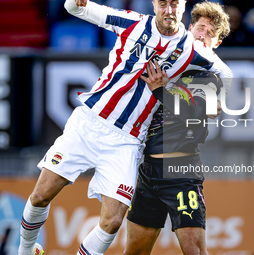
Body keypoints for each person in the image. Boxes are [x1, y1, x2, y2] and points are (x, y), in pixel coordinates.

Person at [18, 0, 231, 255]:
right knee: (41, 195)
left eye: (175, 4)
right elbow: (75, 9)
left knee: (113, 222)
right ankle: (25, 251)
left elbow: (223, 76)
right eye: (164, 3)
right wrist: (75, 3)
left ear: (183, 7)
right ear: (154, 4)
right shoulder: (133, 23)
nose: (169, 10)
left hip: (132, 144)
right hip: (90, 123)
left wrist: (217, 98)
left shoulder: (195, 57)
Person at [124, 2, 231, 254]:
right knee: (135, 251)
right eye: (201, 27)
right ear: (189, 28)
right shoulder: (160, 61)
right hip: (147, 173)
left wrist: (161, 90)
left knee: (194, 250)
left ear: (216, 44)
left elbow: (193, 112)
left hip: (181, 174)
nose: (203, 34)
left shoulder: (210, 77)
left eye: (211, 33)